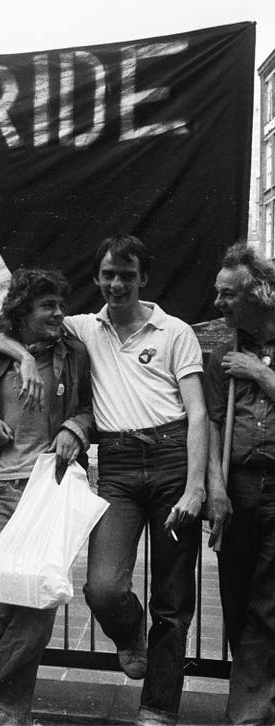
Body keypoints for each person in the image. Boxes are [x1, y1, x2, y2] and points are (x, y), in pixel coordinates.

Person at [0, 235, 207, 726]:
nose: (116, 283)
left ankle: (157, 708)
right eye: (108, 274)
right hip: (121, 467)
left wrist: (195, 487)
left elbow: (197, 414)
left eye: (126, 274)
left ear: (142, 277)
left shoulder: (175, 331)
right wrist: (22, 357)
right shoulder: (85, 326)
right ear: (98, 278)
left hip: (171, 460)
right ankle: (129, 637)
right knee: (103, 587)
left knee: (172, 601)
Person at [0, 269, 94, 725]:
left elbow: (88, 410)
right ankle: (1, 712)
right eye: (48, 307)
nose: (59, 314)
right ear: (23, 312)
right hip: (2, 488)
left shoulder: (74, 355)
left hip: (51, 490)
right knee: (2, 602)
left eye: (60, 306)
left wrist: (73, 429)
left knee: (37, 602)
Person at [205, 244, 275, 724]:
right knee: (236, 599)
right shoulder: (220, 350)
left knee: (267, 604)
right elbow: (210, 424)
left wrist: (262, 374)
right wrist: (216, 488)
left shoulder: (248, 360)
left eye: (228, 295)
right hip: (240, 487)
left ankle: (247, 717)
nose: (218, 304)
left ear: (260, 294)